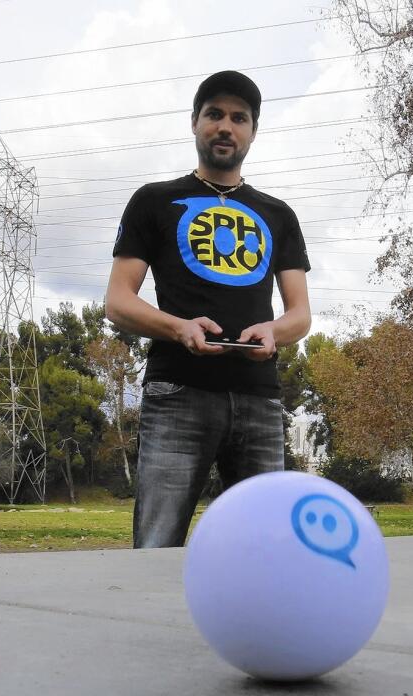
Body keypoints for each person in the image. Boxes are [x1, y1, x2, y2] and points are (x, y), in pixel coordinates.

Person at [105, 70, 312, 549]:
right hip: (177, 393)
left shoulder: (278, 214)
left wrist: (274, 332)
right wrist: (178, 327)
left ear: (252, 132)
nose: (226, 126)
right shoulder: (153, 201)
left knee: (266, 550)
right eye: (214, 114)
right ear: (194, 123)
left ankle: (255, 629)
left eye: (239, 118)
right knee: (157, 548)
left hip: (259, 396)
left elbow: (300, 314)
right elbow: (117, 301)